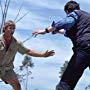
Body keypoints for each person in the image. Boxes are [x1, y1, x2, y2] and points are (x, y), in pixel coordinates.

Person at [32, 0, 90, 90]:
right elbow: (67, 30)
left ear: (68, 11)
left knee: (66, 83)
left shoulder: (75, 14)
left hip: (84, 49)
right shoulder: (86, 17)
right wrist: (57, 30)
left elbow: (66, 23)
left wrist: (45, 30)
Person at [0, 20, 55, 90]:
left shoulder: (16, 43)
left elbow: (28, 51)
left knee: (17, 85)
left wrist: (43, 55)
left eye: (13, 28)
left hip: (7, 69)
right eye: (10, 28)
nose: (12, 30)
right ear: (4, 28)